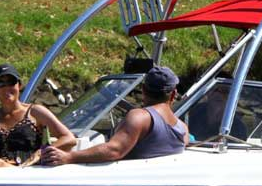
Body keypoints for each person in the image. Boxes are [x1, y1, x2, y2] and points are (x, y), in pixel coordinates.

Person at [41, 66, 189, 165]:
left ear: (143, 89)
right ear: (174, 94)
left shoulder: (139, 117)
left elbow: (114, 150)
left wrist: (69, 157)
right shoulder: (183, 130)